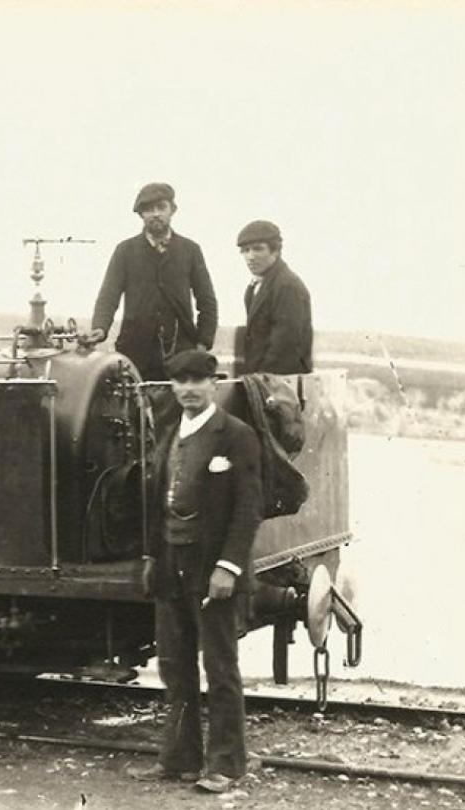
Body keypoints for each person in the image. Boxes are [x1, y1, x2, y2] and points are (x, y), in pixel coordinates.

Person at [130, 348, 262, 794]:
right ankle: (180, 760)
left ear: (214, 383)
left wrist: (228, 567)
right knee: (174, 666)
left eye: (197, 381)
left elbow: (248, 510)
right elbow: (156, 502)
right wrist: (151, 559)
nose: (188, 389)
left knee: (220, 668)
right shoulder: (171, 430)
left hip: (212, 571)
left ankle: (227, 764)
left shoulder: (236, 435)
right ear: (172, 387)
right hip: (171, 566)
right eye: (180, 382)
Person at [89, 182, 218, 381]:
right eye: (148, 209)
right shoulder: (125, 251)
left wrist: (202, 343)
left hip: (182, 353)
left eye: (161, 207)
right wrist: (100, 327)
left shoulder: (190, 250)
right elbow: (109, 296)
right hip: (135, 352)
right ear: (141, 215)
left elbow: (207, 301)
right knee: (134, 409)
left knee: (180, 408)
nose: (155, 214)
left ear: (172, 210)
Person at [238, 220, 313, 374]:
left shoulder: (287, 286)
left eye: (258, 249)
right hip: (264, 379)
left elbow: (285, 345)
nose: (250, 256)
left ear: (275, 251)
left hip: (281, 382)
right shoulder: (255, 286)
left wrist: (262, 380)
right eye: (245, 250)